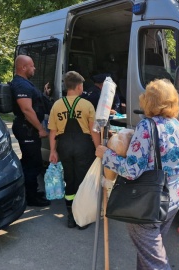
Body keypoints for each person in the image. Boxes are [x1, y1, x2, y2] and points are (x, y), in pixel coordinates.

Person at [96, 78, 179, 269]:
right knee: (148, 253)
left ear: (148, 101)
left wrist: (107, 156)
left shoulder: (146, 127)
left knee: (155, 261)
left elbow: (132, 170)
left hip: (148, 204)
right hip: (172, 202)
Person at [48, 71, 101, 229]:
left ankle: (70, 216)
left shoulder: (57, 105)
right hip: (83, 146)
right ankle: (81, 218)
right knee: (82, 181)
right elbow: (94, 131)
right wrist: (98, 148)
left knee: (69, 181)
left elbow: (53, 131)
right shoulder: (87, 105)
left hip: (64, 146)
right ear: (79, 87)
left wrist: (53, 151)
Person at [10, 54, 52, 207]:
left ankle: (31, 192)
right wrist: (40, 129)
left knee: (31, 162)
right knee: (32, 164)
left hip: (28, 129)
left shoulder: (25, 83)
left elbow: (34, 102)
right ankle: (31, 198)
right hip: (27, 129)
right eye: (32, 65)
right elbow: (27, 110)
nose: (35, 68)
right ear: (23, 67)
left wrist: (44, 94)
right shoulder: (21, 85)